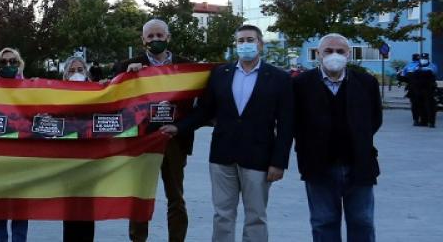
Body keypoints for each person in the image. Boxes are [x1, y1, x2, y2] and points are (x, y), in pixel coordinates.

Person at [161, 24, 293, 242]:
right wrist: (179, 127)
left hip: (259, 158)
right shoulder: (221, 74)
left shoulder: (279, 78)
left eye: (250, 40)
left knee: (256, 217)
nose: (245, 44)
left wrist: (279, 162)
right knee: (222, 215)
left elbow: (287, 124)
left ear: (260, 44)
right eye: (240, 41)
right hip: (222, 157)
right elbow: (204, 110)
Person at [292, 34, 381, 242]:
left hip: (359, 164)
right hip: (317, 165)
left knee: (363, 221)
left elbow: (374, 120)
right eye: (329, 51)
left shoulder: (366, 82)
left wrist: (357, 139)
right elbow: (294, 122)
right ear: (318, 55)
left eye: (340, 51)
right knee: (323, 222)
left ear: (348, 55)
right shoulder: (301, 84)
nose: (334, 55)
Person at [112, 19, 193, 242]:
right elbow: (114, 100)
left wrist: (180, 127)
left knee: (176, 197)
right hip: (141, 141)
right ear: (143, 39)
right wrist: (127, 77)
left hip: (174, 140)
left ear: (168, 37)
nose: (155, 40)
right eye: (150, 36)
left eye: (160, 35)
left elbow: (197, 106)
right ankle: (138, 239)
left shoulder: (186, 66)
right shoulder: (127, 66)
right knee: (139, 195)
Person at [0, 48, 29, 242]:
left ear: (19, 63)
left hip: (22, 156)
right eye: (3, 63)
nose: (8, 65)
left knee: (20, 206)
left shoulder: (31, 88)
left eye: (12, 61)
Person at [59, 56, 96, 242]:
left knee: (88, 208)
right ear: (65, 74)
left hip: (90, 159)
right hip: (68, 159)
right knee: (71, 208)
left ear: (86, 73)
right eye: (71, 70)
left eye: (80, 70)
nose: (76, 74)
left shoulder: (99, 93)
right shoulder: (56, 95)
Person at [405, 52, 437, 128]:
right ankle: (421, 121)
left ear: (428, 59)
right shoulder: (415, 66)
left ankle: (430, 122)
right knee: (418, 106)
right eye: (422, 59)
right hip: (417, 90)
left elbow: (433, 75)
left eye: (425, 59)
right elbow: (408, 75)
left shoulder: (432, 66)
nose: (423, 60)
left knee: (429, 106)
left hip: (428, 90)